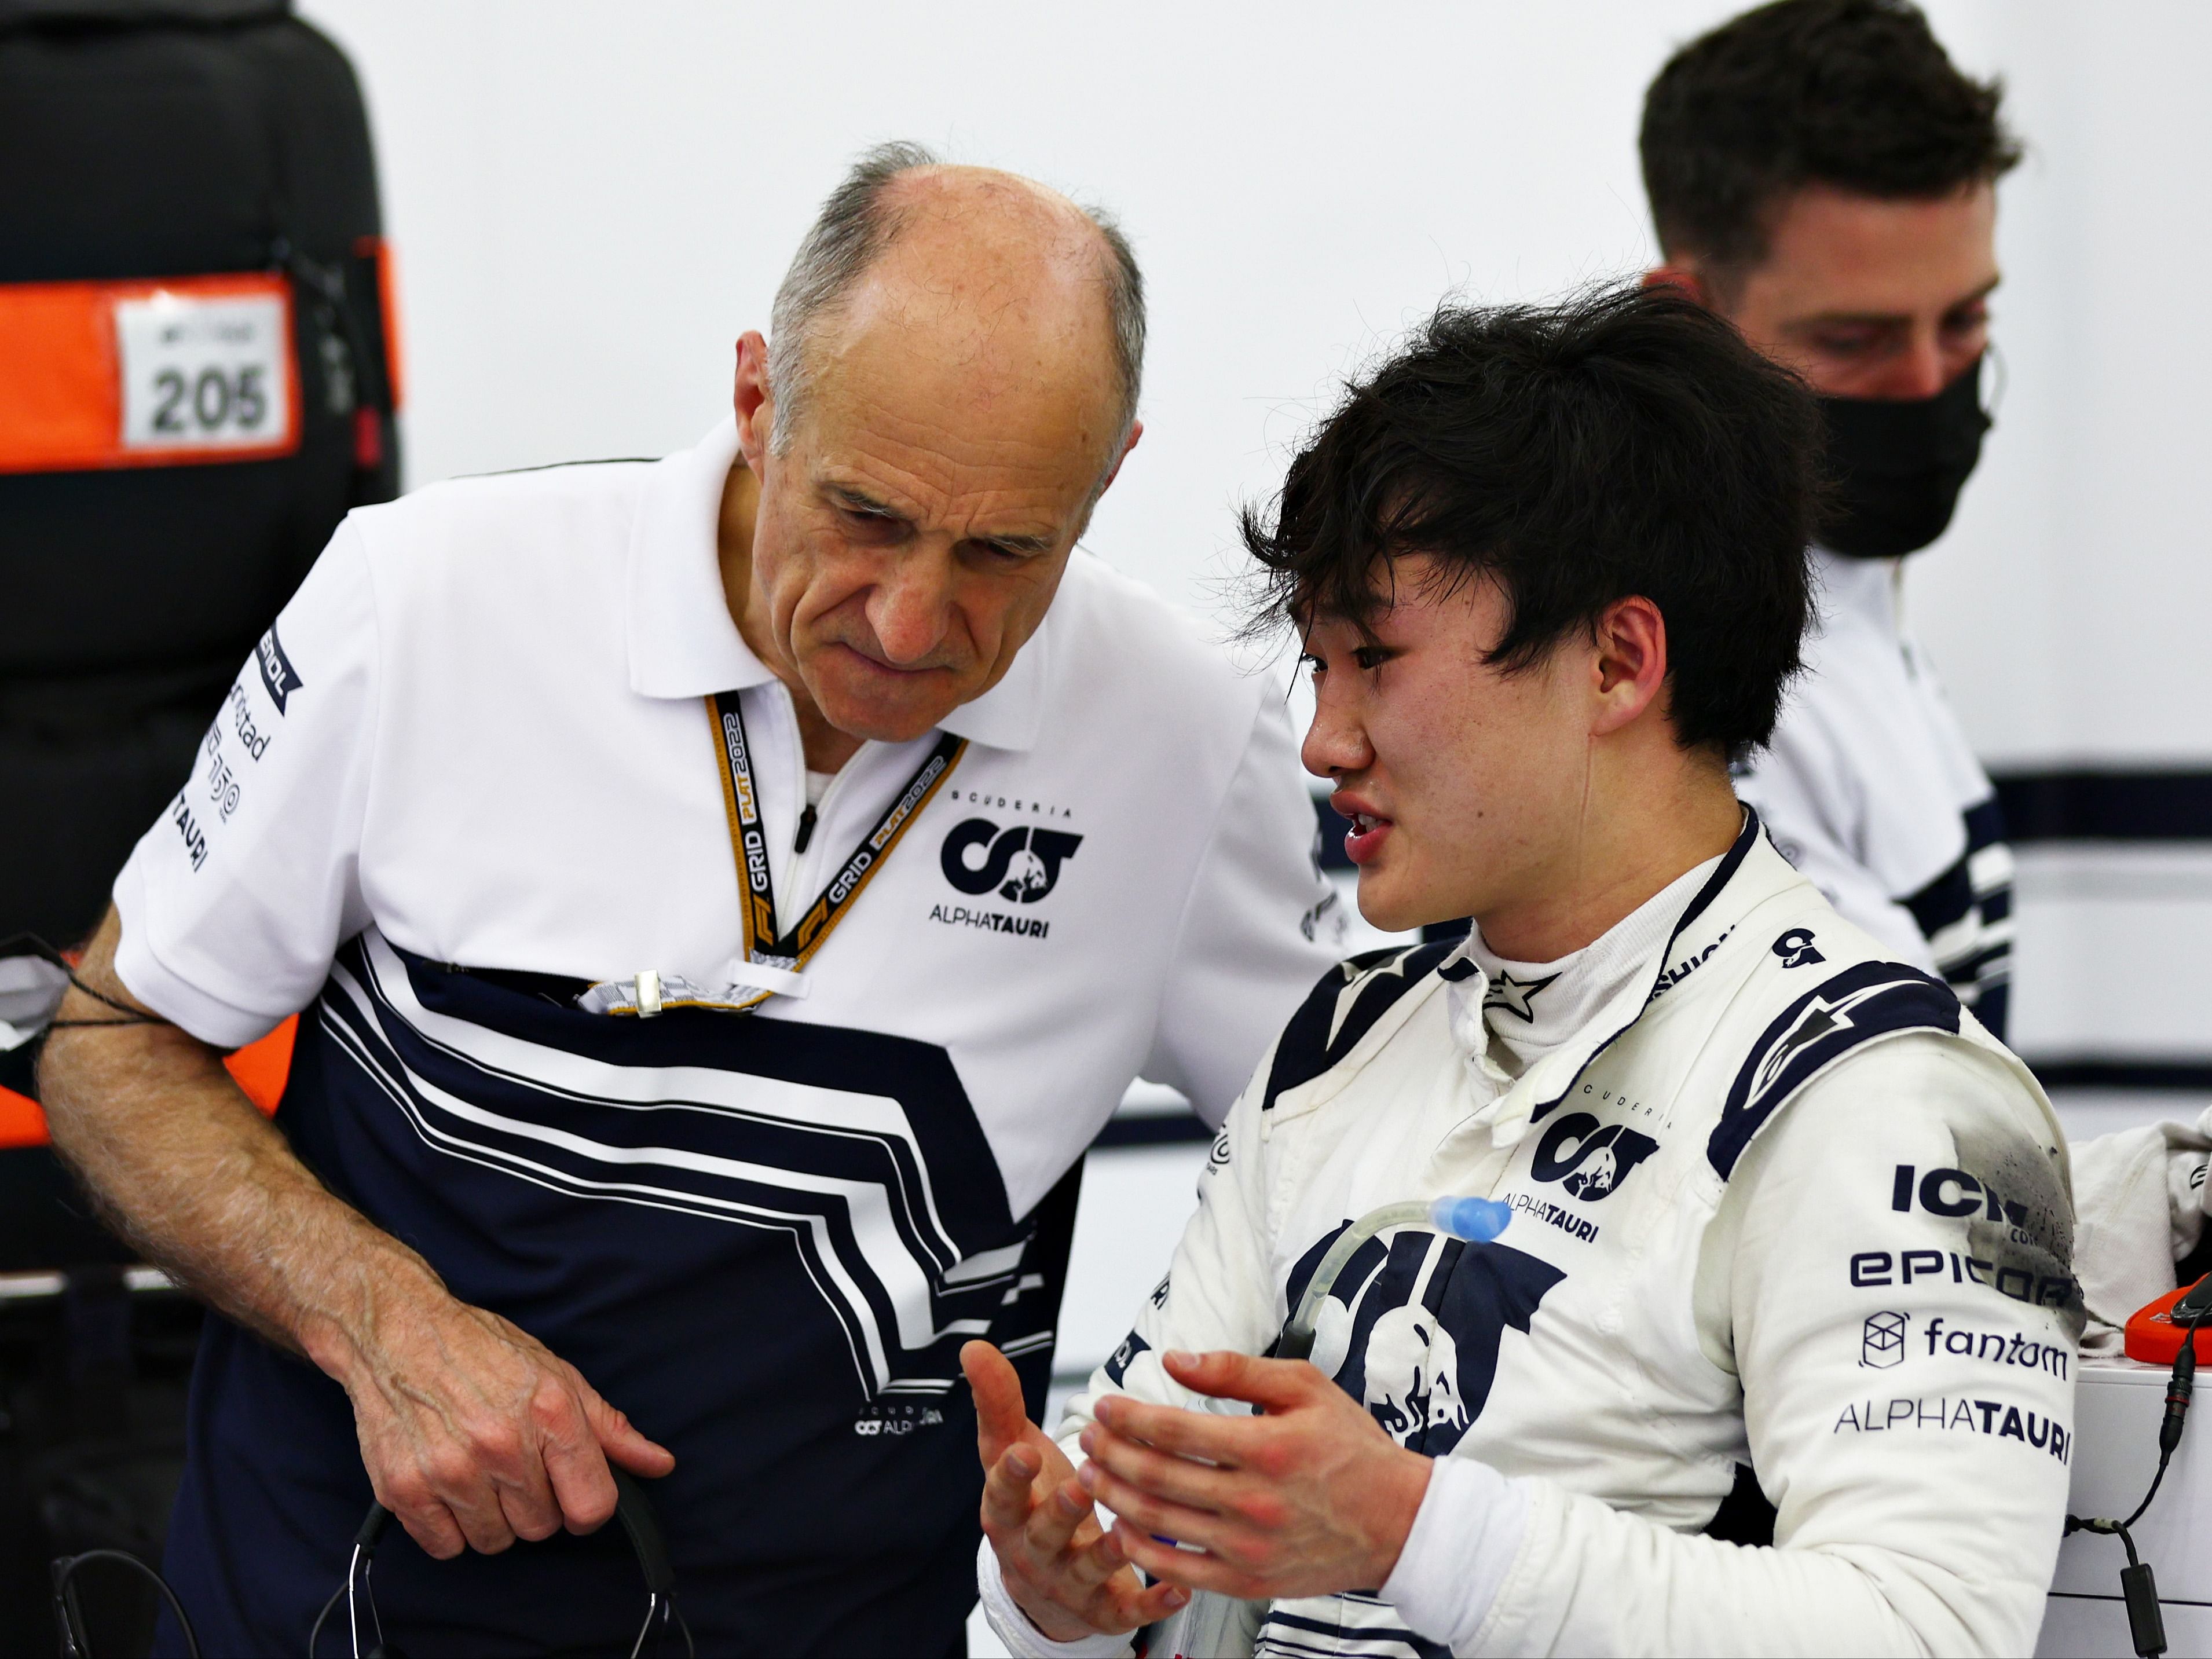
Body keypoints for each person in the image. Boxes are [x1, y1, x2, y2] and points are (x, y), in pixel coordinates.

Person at [32, 144, 1345, 1656]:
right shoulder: (430, 598)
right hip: (325, 1604)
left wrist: (1146, 1515)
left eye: (1004, 550)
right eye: (861, 513)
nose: (913, 621)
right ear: (754, 402)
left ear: (1109, 473)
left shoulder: (1191, 733)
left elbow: (1343, 1186)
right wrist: (381, 1324)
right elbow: (109, 1036)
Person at [965, 285, 2080, 1658]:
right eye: (1316, 668)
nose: (1322, 742)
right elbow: (1137, 1540)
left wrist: (1412, 1529)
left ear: (1616, 659)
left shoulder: (1888, 1090)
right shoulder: (1342, 1034)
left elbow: (1931, 1632)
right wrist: (1055, 1594)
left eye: (1373, 658)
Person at [1642, 0, 2021, 1039]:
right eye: (1856, 338)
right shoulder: (1710, 679)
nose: (1929, 379)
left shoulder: (1844, 589)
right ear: (1687, 318)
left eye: (1966, 318)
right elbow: (1894, 1124)